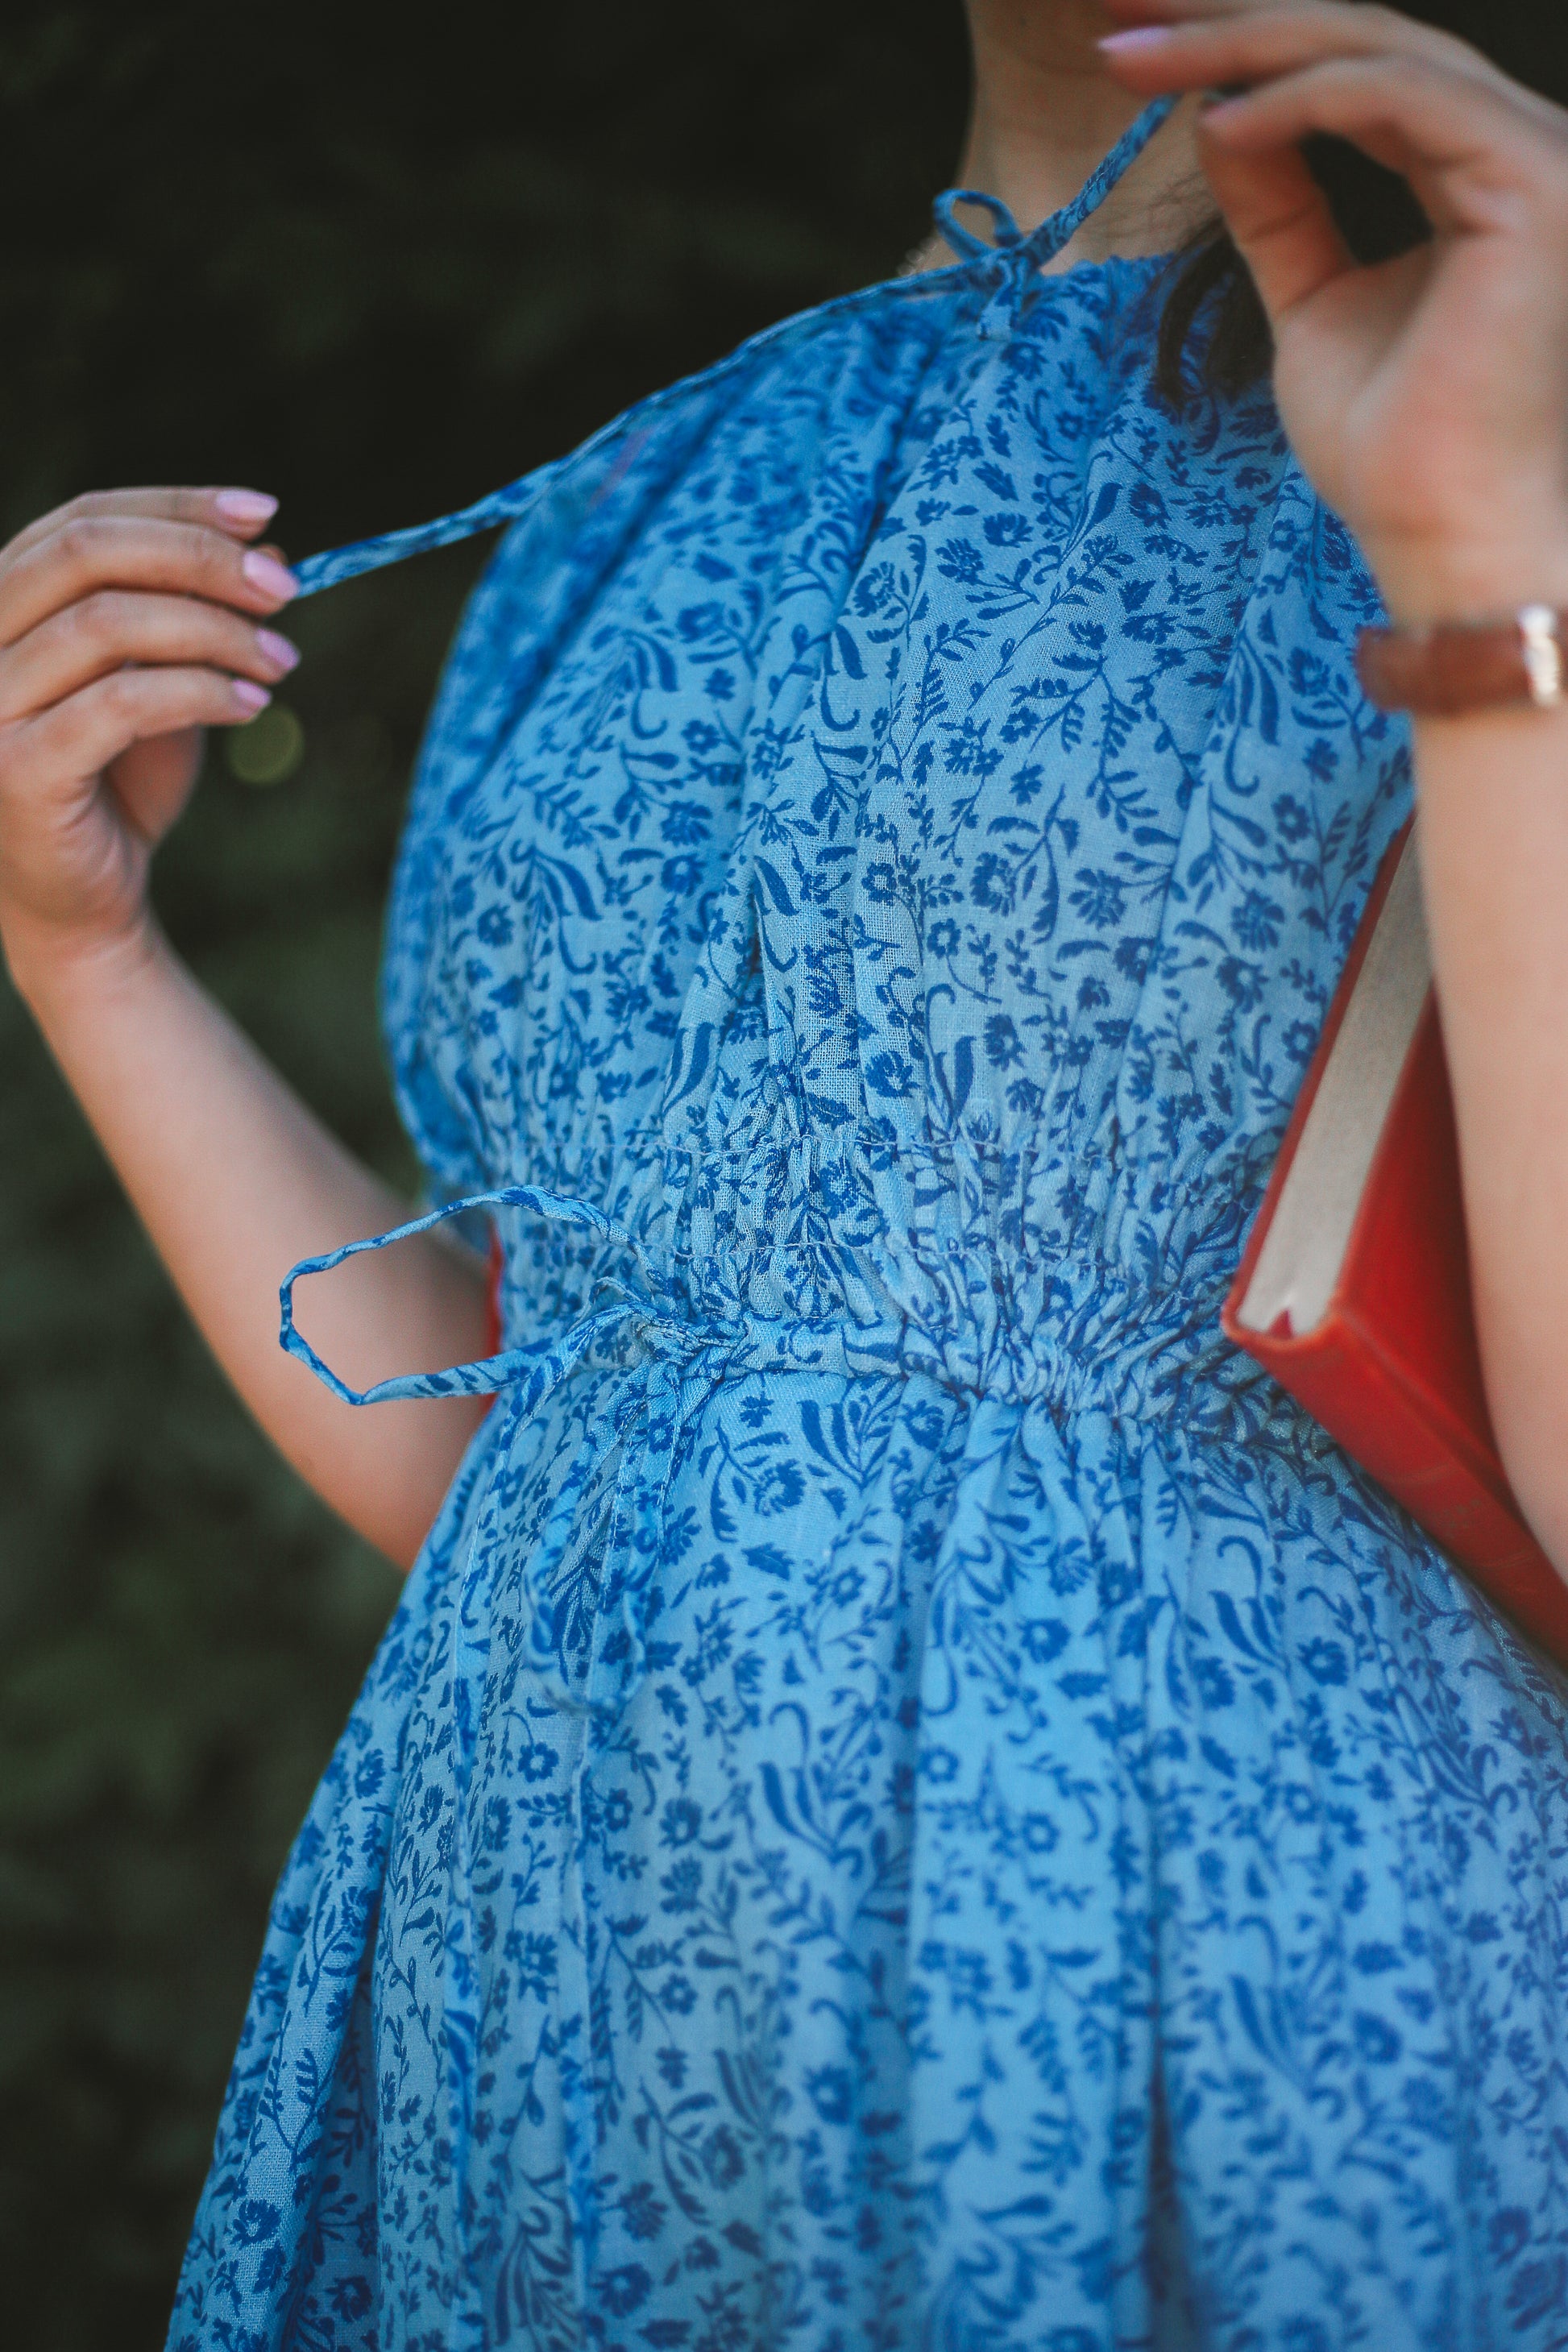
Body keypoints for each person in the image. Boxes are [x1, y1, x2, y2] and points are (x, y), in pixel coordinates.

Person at [3, 0, 1568, 2339]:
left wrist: (1483, 562)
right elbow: (526, 1441)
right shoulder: (645, 489)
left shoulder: (1522, 394)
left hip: (1190, 2014)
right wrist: (84, 953)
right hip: (560, 2002)